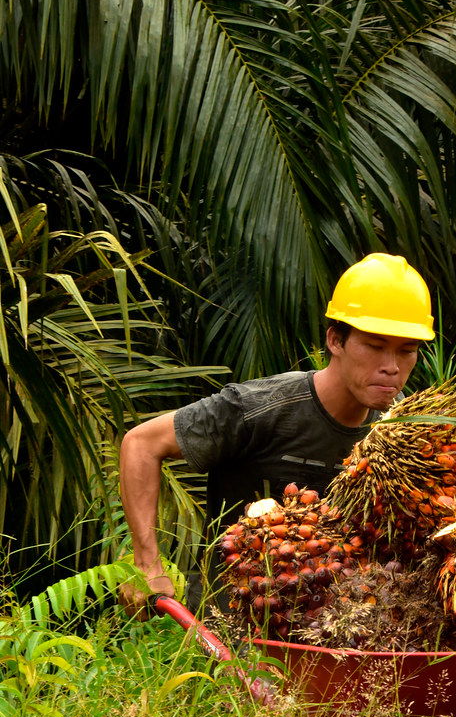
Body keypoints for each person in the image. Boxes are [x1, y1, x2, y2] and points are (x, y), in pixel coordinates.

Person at [118, 253, 435, 620]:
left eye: (407, 351)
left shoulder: (400, 435)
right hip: (232, 632)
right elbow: (141, 444)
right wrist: (146, 564)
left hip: (339, 638)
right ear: (335, 340)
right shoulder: (258, 407)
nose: (392, 366)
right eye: (375, 346)